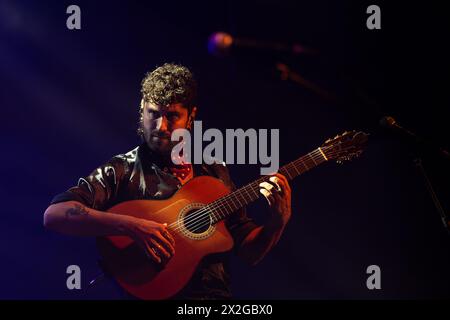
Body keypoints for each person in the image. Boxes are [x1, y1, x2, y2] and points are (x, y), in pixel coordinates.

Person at [43, 63, 292, 299]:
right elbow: (55, 214)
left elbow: (249, 252)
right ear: (142, 108)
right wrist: (130, 226)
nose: (161, 126)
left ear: (190, 116)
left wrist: (276, 223)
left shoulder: (214, 171)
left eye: (172, 116)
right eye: (153, 113)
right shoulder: (121, 169)